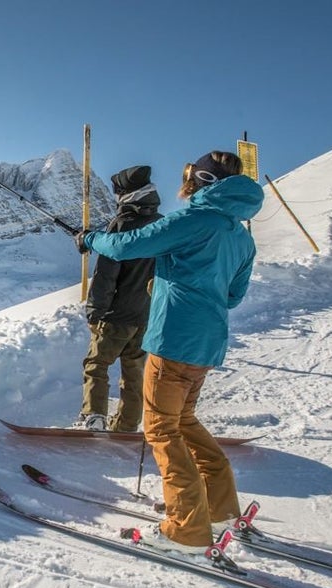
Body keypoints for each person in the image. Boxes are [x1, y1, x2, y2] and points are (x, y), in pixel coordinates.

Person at [75, 151, 262, 552]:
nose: (185, 183)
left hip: (174, 339)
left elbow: (126, 246)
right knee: (184, 421)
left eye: (189, 175)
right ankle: (221, 506)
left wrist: (91, 238)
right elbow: (232, 295)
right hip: (207, 343)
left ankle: (186, 528)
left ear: (202, 180)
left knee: (161, 430)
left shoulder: (194, 220)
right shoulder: (241, 235)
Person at [72, 165, 160, 432]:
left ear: (127, 195)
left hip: (116, 316)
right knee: (133, 371)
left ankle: (94, 416)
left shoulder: (121, 226)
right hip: (145, 315)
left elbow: (106, 276)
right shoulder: (162, 225)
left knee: (96, 364)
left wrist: (95, 311)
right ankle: (127, 424)